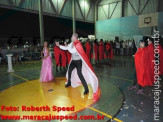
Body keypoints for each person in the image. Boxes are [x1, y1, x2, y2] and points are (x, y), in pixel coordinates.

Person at [56, 33, 99, 99]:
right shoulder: (71, 43)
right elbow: (66, 48)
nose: (71, 37)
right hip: (73, 61)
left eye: (72, 36)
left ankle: (86, 89)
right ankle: (69, 82)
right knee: (69, 70)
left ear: (75, 37)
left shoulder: (78, 44)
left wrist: (68, 47)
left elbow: (72, 51)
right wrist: (59, 46)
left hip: (78, 61)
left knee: (80, 74)